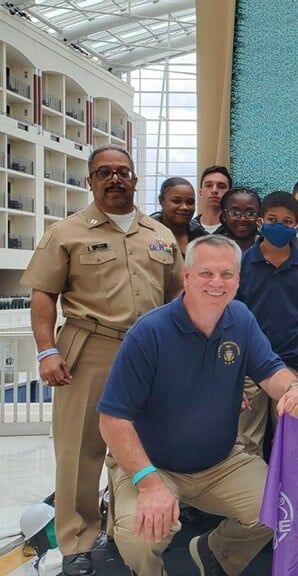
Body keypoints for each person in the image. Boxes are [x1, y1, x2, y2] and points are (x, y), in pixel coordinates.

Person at [97, 235, 298, 576]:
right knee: (141, 535)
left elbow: (272, 371)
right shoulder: (148, 333)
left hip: (220, 462)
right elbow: (112, 420)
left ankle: (215, 555)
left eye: (227, 274)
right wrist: (150, 484)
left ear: (238, 281)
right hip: (154, 467)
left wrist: (294, 389)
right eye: (206, 273)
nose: (217, 283)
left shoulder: (240, 318)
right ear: (186, 277)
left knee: (283, 507)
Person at [22, 145, 183, 576]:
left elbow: (176, 297)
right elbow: (43, 297)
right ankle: (77, 541)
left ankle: (124, 528)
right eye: (104, 173)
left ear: (135, 179)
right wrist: (46, 349)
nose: (115, 179)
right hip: (89, 348)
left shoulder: (160, 235)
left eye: (123, 172)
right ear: (90, 181)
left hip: (148, 351)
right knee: (79, 449)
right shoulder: (66, 233)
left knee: (141, 443)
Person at [236, 192, 298, 456]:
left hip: (294, 361)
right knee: (246, 442)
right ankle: (256, 497)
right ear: (260, 222)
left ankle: (290, 496)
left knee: (292, 438)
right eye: (272, 219)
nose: (278, 226)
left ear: (296, 227)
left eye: (286, 222)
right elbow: (232, 318)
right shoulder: (240, 263)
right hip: (250, 363)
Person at [151, 177, 207, 253]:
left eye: (190, 202)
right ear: (161, 201)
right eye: (176, 201)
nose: (184, 207)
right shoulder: (146, 234)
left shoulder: (203, 239)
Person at [214, 187, 261, 252]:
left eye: (250, 214)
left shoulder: (269, 246)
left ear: (259, 216)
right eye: (235, 213)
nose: (242, 219)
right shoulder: (211, 247)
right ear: (224, 216)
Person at [194, 165, 232, 234]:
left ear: (229, 194)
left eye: (221, 186)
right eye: (209, 185)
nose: (214, 190)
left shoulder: (236, 230)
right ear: (200, 193)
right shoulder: (188, 229)